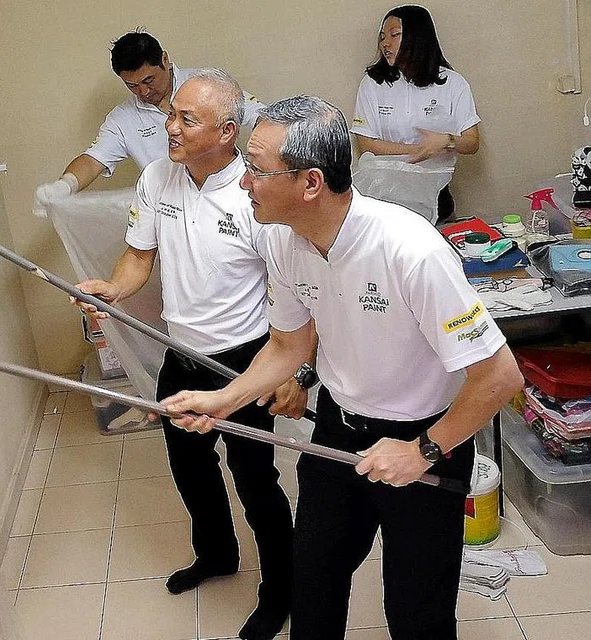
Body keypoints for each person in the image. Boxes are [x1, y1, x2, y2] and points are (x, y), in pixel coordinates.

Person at [163, 95, 523, 640]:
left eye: (256, 170)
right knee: (313, 584)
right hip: (339, 429)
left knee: (416, 611)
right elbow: (287, 348)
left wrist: (422, 450)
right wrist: (222, 400)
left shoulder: (410, 252)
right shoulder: (285, 240)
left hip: (423, 440)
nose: (242, 183)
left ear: (310, 183)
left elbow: (500, 378)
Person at [74, 70, 307, 640]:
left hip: (247, 361)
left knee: (256, 480)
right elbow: (138, 256)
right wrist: (111, 287)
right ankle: (218, 555)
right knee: (190, 468)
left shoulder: (257, 195)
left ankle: (281, 588)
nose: (168, 127)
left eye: (185, 119)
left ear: (228, 132)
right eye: (170, 114)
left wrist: (296, 372)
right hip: (182, 354)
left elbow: (301, 295)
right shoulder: (157, 177)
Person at [32, 30, 263, 217]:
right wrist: (64, 186)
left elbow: (260, 117)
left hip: (228, 200)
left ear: (165, 60)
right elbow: (93, 161)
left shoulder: (204, 87)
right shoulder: (123, 119)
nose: (143, 91)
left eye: (149, 80)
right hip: (170, 210)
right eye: (132, 85)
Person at [350, 5, 480, 222]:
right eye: (383, 37)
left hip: (436, 196)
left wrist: (446, 141)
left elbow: (472, 142)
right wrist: (421, 150)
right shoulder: (373, 83)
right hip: (384, 199)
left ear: (417, 37)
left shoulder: (452, 83)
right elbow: (367, 145)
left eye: (394, 35)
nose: (385, 43)